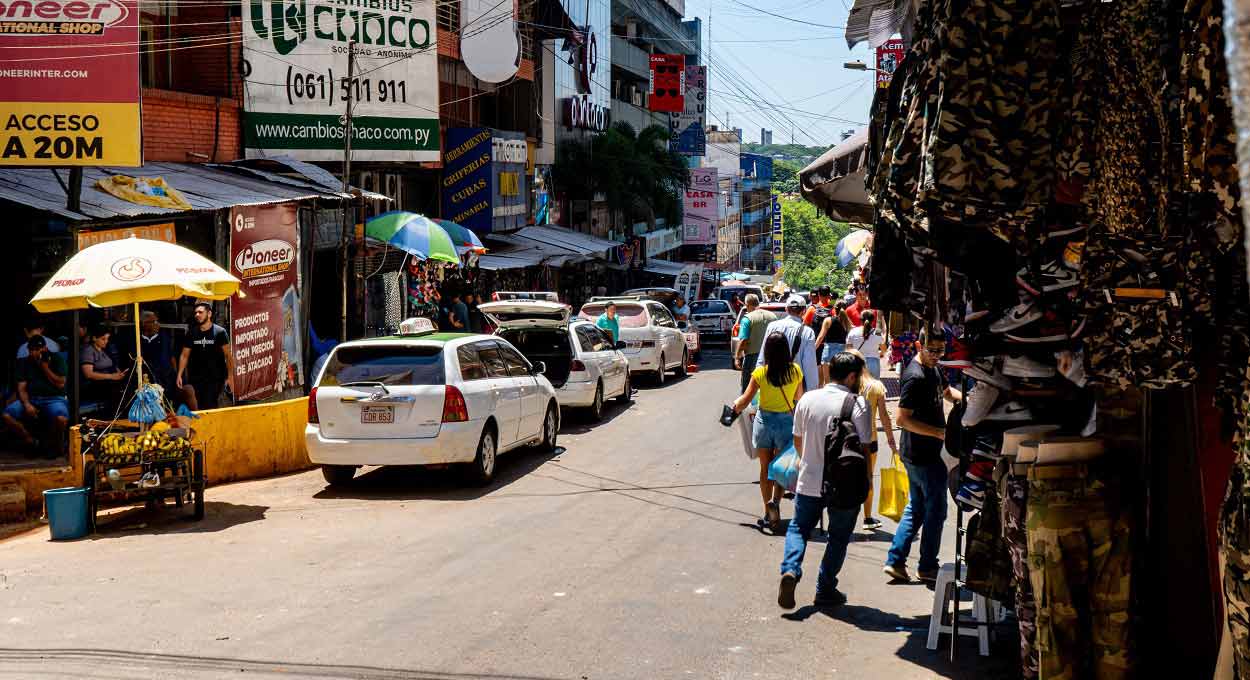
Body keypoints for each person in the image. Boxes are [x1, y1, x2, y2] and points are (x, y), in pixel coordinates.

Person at [777, 351, 872, 610]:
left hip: (809, 479)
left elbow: (797, 440)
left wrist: (810, 459)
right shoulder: (858, 404)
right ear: (851, 376)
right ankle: (825, 587)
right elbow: (864, 448)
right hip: (844, 483)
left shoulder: (808, 399)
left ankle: (791, 569)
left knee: (798, 528)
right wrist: (867, 482)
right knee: (838, 537)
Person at [884, 329, 962, 583]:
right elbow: (902, 419)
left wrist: (969, 400)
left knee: (917, 507)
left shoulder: (935, 369)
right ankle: (927, 566)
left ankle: (895, 561)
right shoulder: (914, 377)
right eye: (932, 350)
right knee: (936, 510)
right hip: (922, 454)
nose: (937, 356)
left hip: (924, 453)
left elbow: (948, 393)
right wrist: (939, 433)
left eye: (941, 351)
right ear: (919, 345)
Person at [732, 332, 805, 532]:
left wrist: (733, 408)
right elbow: (799, 398)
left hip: (764, 423)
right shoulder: (796, 371)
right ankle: (776, 502)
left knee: (765, 468)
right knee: (779, 467)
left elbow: (745, 400)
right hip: (786, 423)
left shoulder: (760, 374)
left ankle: (766, 511)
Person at [846, 347, 897, 531]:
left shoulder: (845, 386)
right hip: (870, 440)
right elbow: (884, 416)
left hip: (847, 439)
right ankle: (867, 518)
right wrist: (891, 441)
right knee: (867, 479)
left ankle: (846, 516)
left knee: (846, 478)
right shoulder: (876, 386)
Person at [2, 336, 68, 454]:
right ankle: (31, 440)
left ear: (45, 348)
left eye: (38, 349)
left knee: (61, 418)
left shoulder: (56, 359)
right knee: (7, 415)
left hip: (53, 398)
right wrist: (27, 405)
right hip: (31, 398)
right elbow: (21, 388)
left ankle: (55, 445)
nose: (35, 352)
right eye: (32, 350)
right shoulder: (23, 362)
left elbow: (60, 384)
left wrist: (45, 367)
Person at [177, 302, 233, 410]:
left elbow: (228, 356)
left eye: (200, 312)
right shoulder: (192, 333)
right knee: (200, 406)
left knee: (210, 405)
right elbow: (184, 355)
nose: (197, 315)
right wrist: (179, 374)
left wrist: (230, 376)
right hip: (196, 378)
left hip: (215, 378)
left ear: (209, 314)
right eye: (196, 313)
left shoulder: (220, 332)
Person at [757, 296, 819, 393]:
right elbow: (809, 365)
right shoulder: (807, 332)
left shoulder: (772, 326)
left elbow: (763, 355)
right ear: (804, 311)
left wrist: (758, 382)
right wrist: (812, 391)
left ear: (786, 309)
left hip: (772, 381)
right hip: (795, 385)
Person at [121, 311, 176, 392]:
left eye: (157, 321)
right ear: (144, 323)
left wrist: (174, 375)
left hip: (164, 381)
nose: (157, 324)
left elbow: (172, 358)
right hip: (143, 382)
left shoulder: (165, 339)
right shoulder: (136, 341)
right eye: (154, 321)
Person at [733, 294, 778, 393]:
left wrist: (737, 357)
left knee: (747, 387)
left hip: (752, 357)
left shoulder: (747, 319)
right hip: (771, 358)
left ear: (747, 304)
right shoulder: (773, 317)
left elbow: (743, 340)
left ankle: (743, 407)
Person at [80, 323, 128, 408]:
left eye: (107, 339)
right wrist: (111, 376)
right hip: (95, 386)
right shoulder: (88, 351)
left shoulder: (105, 350)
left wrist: (119, 374)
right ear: (94, 338)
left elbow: (113, 366)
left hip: (109, 382)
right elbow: (88, 374)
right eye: (103, 339)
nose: (106, 341)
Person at [814, 300, 852, 386]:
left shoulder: (828, 320)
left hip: (829, 351)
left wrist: (813, 350)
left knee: (827, 382)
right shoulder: (848, 322)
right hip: (842, 353)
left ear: (835, 309)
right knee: (841, 382)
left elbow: (820, 337)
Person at [845, 309, 886, 378]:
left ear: (860, 320)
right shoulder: (877, 333)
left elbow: (848, 350)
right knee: (873, 387)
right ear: (873, 321)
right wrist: (880, 354)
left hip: (857, 363)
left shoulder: (853, 332)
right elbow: (884, 349)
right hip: (873, 363)